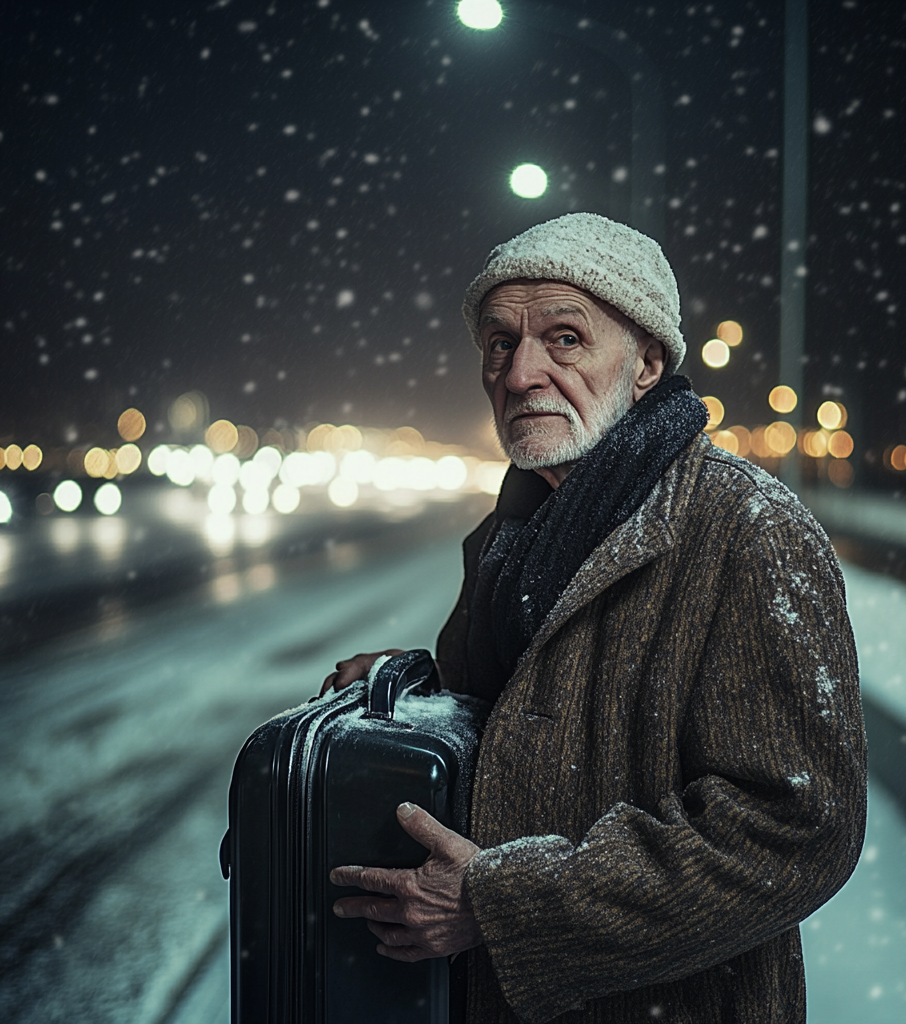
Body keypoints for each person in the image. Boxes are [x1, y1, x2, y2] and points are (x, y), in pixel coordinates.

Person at [323, 213, 868, 1024]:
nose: (520, 374)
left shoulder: (748, 531)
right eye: (500, 343)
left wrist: (505, 907)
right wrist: (424, 685)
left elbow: (793, 828)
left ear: (647, 362)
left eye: (566, 338)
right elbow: (547, 712)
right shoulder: (514, 535)